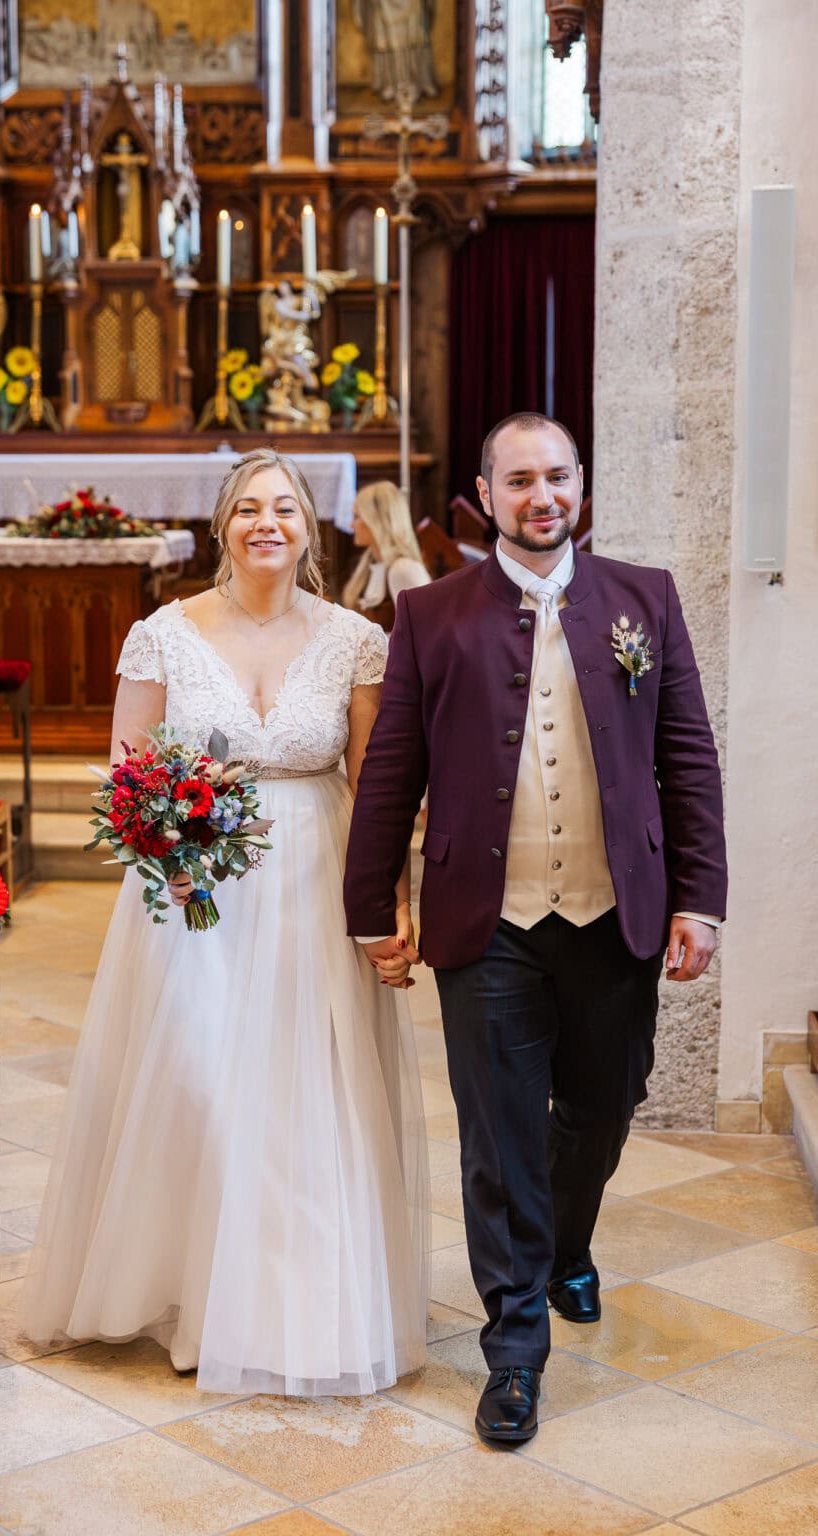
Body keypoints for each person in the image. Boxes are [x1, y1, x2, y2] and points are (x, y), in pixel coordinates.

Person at [344, 412, 726, 1445]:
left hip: (614, 911)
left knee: (604, 1105)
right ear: (485, 495)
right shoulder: (430, 614)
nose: (541, 496)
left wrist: (700, 896)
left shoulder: (644, 598)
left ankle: (564, 1244)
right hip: (488, 918)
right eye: (518, 481)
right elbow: (392, 770)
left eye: (556, 476)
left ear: (580, 483)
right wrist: (371, 904)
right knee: (498, 1132)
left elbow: (688, 754)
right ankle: (514, 1348)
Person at [21, 448, 429, 1396]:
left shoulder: (355, 640)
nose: (266, 524)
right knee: (201, 1082)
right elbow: (128, 776)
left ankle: (295, 1303)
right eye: (248, 508)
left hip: (316, 874)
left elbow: (374, 788)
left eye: (284, 507)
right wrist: (166, 846)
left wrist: (390, 900)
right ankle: (198, 1294)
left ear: (308, 527)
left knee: (307, 1087)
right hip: (196, 886)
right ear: (222, 526)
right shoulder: (162, 635)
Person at [342, 480, 431, 626]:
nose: (351, 525)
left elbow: (425, 628)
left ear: (376, 520)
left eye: (357, 517)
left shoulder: (403, 568)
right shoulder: (371, 563)